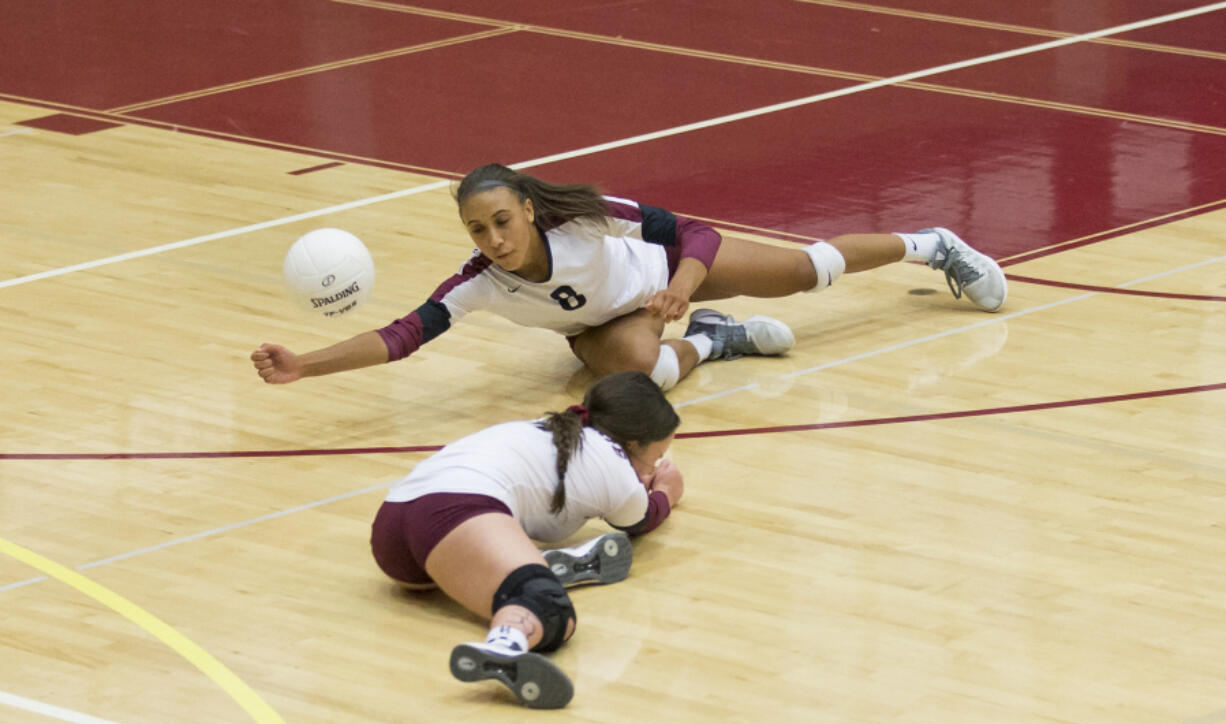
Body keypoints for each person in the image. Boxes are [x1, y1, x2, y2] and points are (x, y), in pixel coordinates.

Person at [252, 163, 1007, 391]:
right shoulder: (479, 282)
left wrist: (682, 285)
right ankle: (718, 344)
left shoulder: (581, 215)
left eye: (501, 221)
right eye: (478, 230)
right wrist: (304, 364)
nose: (492, 238)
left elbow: (698, 232)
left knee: (808, 272)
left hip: (667, 274)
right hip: (608, 326)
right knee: (629, 379)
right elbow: (402, 335)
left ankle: (931, 244)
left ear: (525, 206)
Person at [369, 371, 684, 709]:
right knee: (550, 609)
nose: (654, 466)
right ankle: (505, 644)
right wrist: (666, 490)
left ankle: (538, 566)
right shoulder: (616, 468)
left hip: (395, 528)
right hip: (456, 511)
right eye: (655, 457)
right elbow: (642, 518)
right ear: (633, 443)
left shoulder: (551, 429)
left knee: (511, 579)